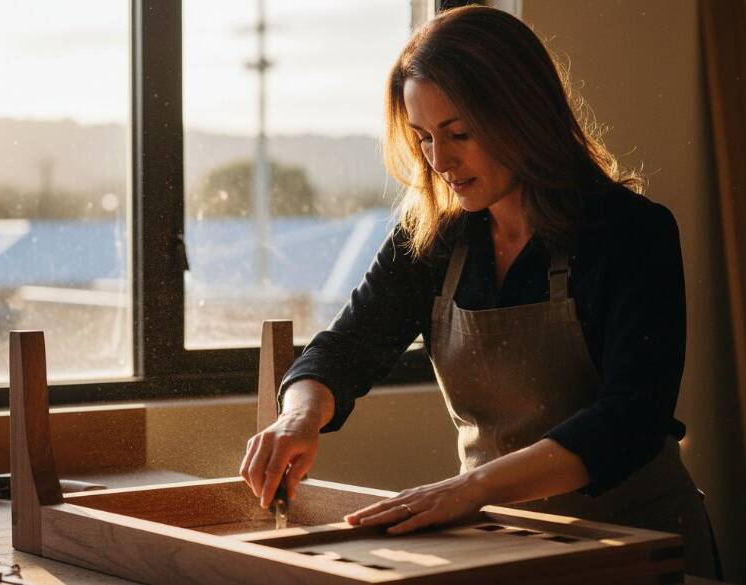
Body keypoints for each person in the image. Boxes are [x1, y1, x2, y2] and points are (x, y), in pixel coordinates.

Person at [240, 5, 720, 579]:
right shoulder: (435, 237)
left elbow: (631, 419)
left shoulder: (631, 231)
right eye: (423, 139)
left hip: (639, 543)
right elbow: (345, 350)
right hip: (506, 541)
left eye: (459, 134)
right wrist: (299, 416)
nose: (440, 162)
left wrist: (472, 488)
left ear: (523, 115)